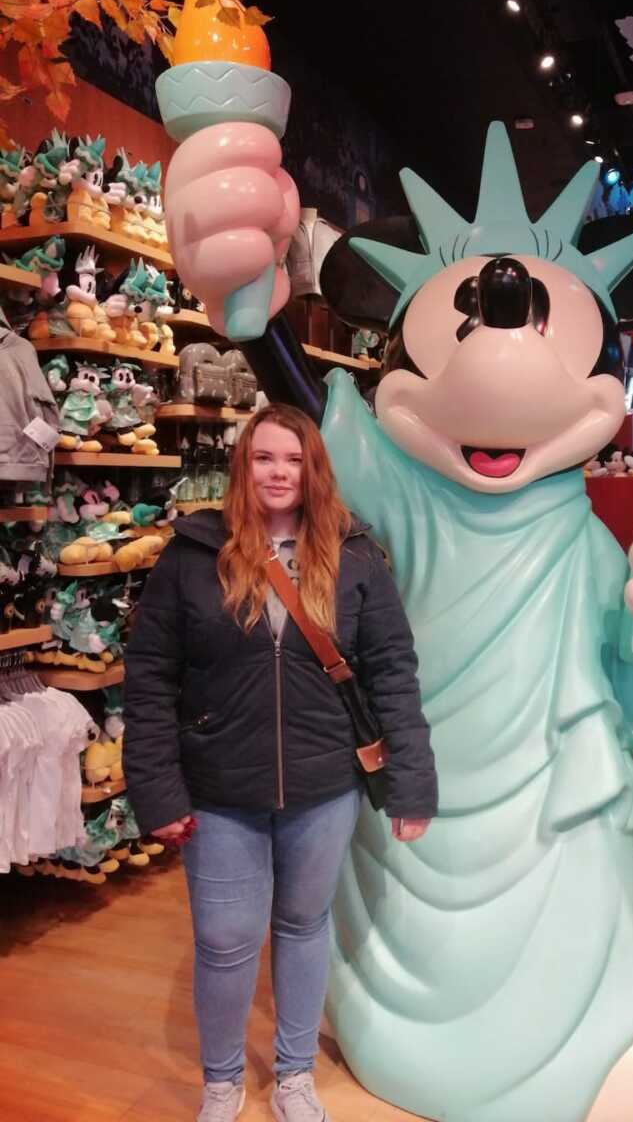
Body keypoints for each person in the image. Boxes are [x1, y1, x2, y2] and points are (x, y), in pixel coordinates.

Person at [123, 403, 438, 1122]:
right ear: (244, 467)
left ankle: (294, 1075)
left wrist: (412, 784)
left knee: (302, 927)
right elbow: (148, 678)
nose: (278, 472)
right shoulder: (191, 556)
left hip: (323, 787)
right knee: (227, 941)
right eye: (265, 458)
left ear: (313, 470)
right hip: (217, 789)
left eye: (293, 460)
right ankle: (222, 1081)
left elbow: (392, 671)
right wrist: (158, 790)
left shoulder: (354, 556)